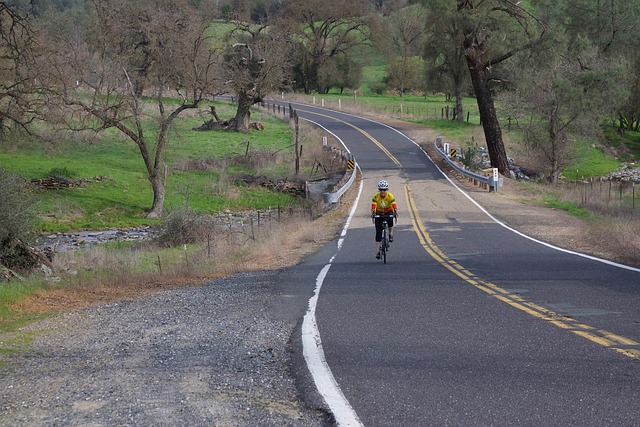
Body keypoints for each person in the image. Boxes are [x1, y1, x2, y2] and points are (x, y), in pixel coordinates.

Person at [371, 180, 398, 259]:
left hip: (388, 211)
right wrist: (373, 214)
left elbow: (394, 206)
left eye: (384, 190)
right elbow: (373, 207)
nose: (382, 191)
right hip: (379, 213)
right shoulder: (376, 196)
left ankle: (390, 234)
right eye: (381, 190)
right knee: (378, 233)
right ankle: (378, 251)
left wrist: (395, 213)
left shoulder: (390, 196)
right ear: (379, 190)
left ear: (387, 190)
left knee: (390, 221)